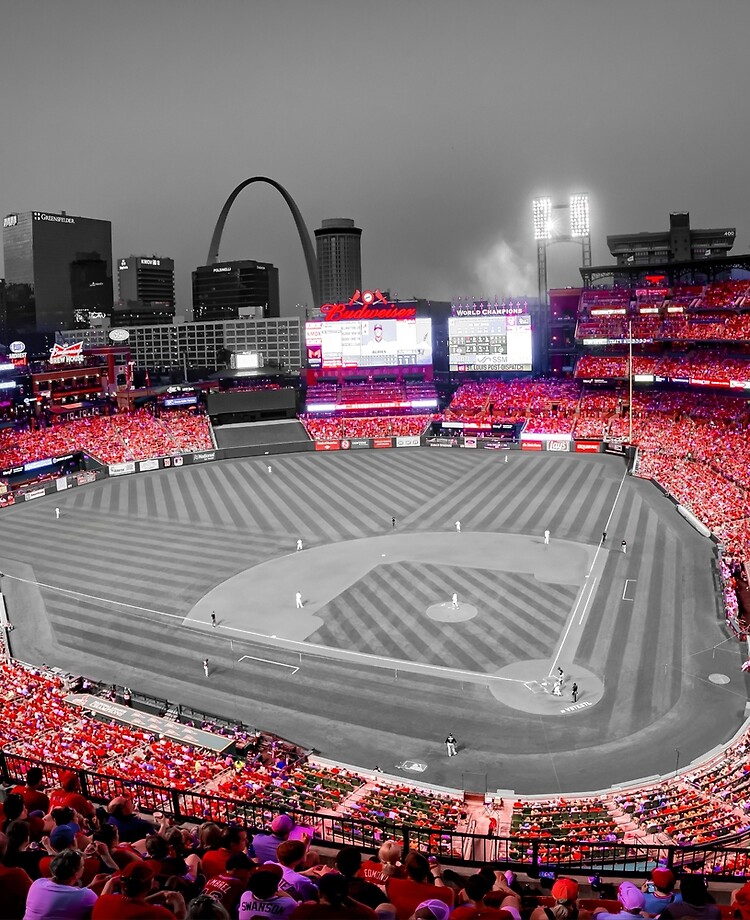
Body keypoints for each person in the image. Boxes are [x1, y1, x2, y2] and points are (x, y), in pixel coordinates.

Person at [23, 850, 99, 920]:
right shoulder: (85, 895)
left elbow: (64, 894)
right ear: (76, 874)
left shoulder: (37, 883)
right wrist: (108, 885)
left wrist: (91, 885)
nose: (84, 868)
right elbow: (101, 909)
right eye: (82, 865)